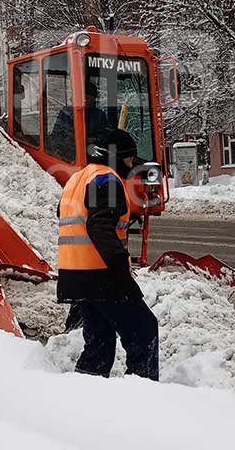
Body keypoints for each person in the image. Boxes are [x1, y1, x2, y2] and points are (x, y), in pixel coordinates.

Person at [56, 128, 159, 381]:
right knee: (143, 331)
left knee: (99, 341)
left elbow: (75, 218)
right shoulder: (108, 180)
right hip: (101, 274)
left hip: (73, 275)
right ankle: (143, 390)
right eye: (128, 158)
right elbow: (98, 225)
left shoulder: (76, 179)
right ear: (117, 156)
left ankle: (87, 388)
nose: (130, 165)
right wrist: (118, 265)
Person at [49, 81, 110, 159]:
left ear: (94, 99)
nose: (84, 101)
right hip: (70, 153)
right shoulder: (67, 113)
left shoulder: (100, 115)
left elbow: (106, 135)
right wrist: (58, 150)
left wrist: (95, 139)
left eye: (87, 98)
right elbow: (57, 134)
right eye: (82, 98)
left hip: (92, 152)